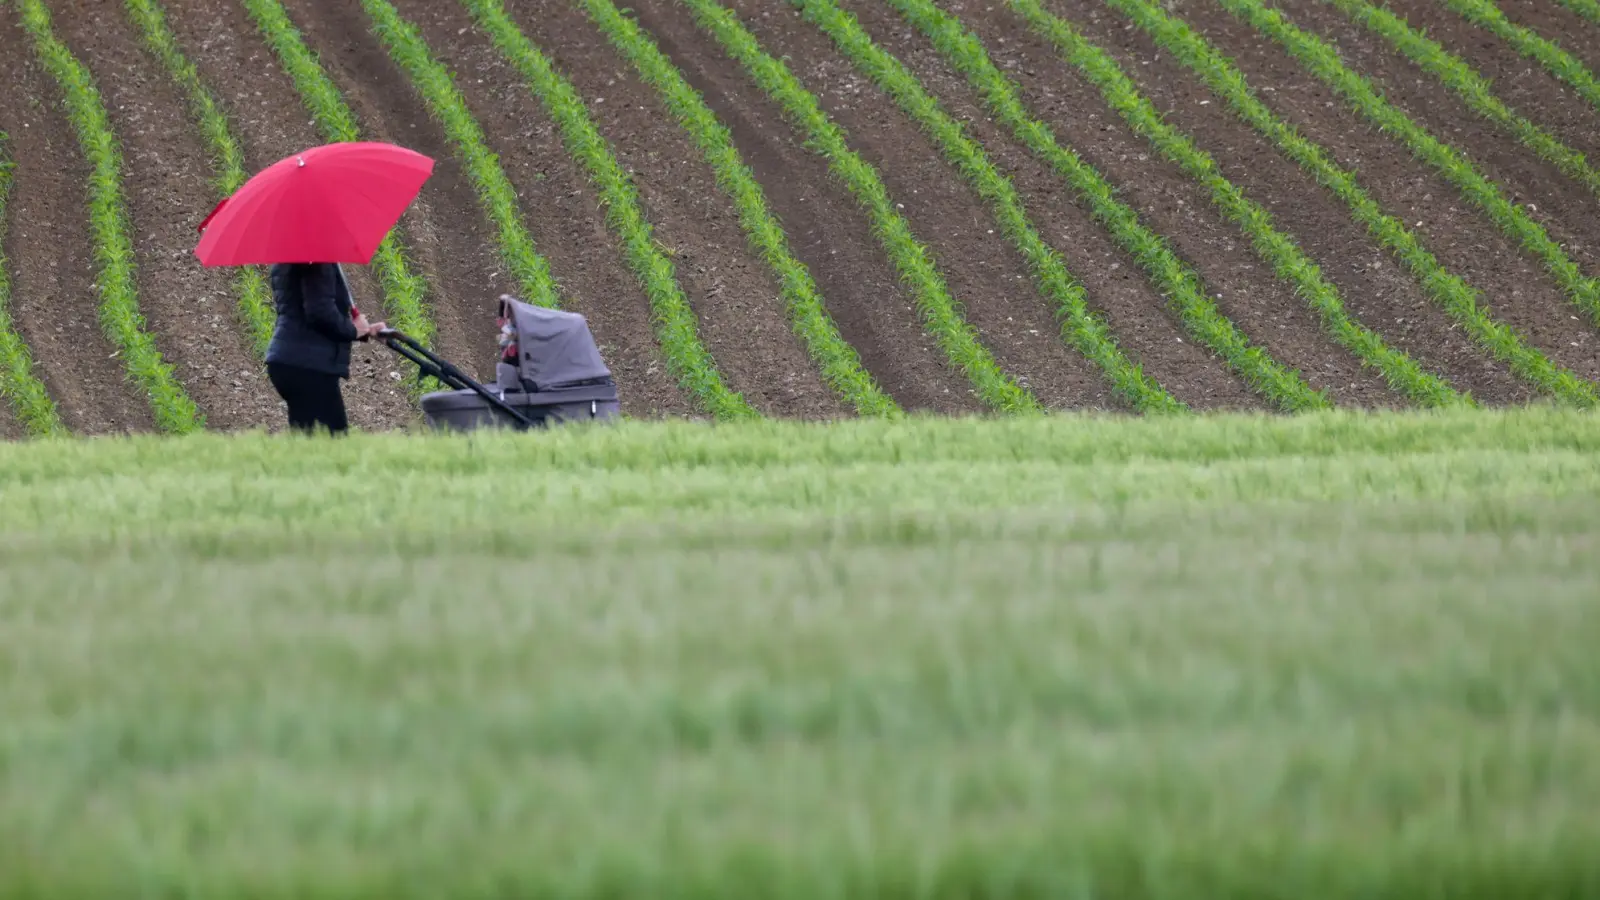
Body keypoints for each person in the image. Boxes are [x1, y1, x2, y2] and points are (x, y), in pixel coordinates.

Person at [264, 262, 384, 435]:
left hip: (289, 360)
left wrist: (365, 331)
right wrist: (353, 330)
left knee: (309, 443)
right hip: (308, 366)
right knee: (332, 443)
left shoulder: (289, 258)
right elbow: (319, 311)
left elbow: (300, 313)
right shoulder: (317, 259)